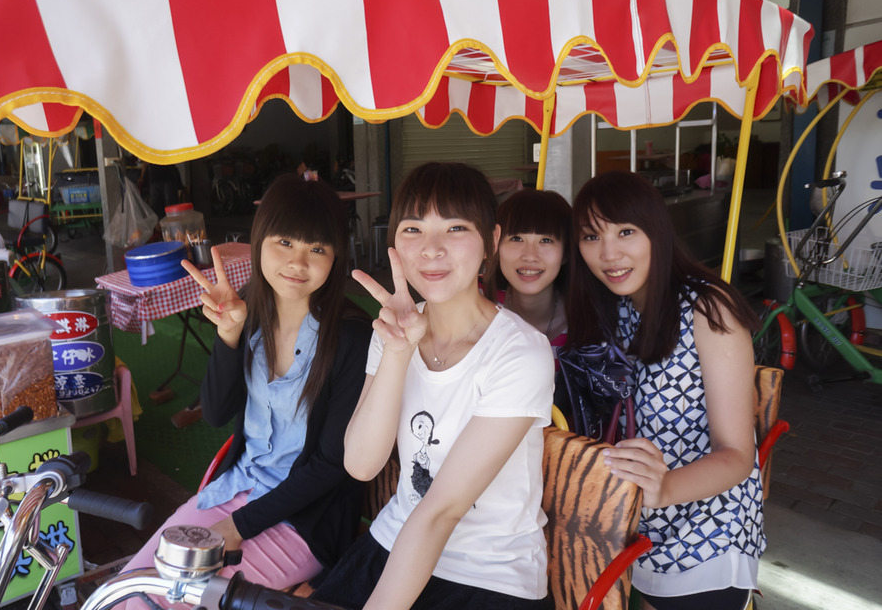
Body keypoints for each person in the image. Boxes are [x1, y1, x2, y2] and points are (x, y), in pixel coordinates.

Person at [119, 174, 372, 605]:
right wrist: (229, 336)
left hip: (304, 520)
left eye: (317, 249)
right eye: (285, 243)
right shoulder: (248, 311)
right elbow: (217, 413)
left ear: (335, 257)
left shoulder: (351, 337)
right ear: (259, 242)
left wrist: (238, 527)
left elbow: (332, 465)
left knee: (178, 600)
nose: (298, 263)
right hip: (235, 489)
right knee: (131, 590)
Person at [313, 161, 555, 610]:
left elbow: (443, 510)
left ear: (492, 242)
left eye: (456, 228)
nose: (431, 249)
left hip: (489, 573)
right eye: (413, 230)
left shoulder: (520, 353)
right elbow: (361, 464)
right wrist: (398, 352)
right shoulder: (394, 329)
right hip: (395, 538)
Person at [565, 170, 764, 610]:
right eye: (592, 236)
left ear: (657, 231)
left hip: (709, 533)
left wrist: (664, 489)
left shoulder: (709, 310)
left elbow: (737, 454)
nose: (609, 253)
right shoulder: (615, 308)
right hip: (633, 527)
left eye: (626, 232)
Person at [482, 188, 571, 348]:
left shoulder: (592, 318)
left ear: (566, 253)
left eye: (546, 240)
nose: (530, 256)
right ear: (496, 245)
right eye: (516, 239)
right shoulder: (474, 298)